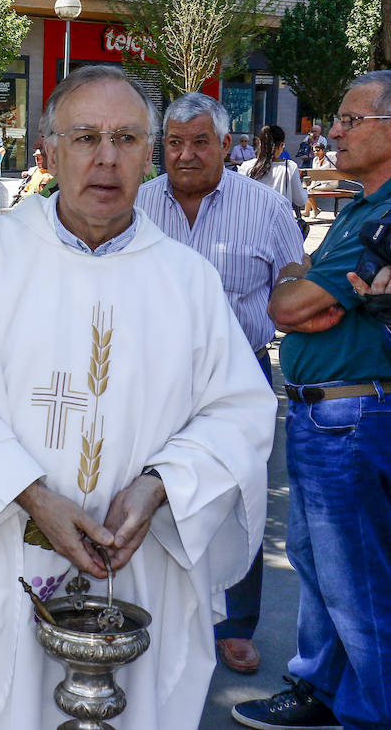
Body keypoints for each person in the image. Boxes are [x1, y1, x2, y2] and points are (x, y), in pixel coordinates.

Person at [0, 65, 274, 729]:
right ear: (46, 152)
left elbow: (238, 413)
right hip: (0, 553)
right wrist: (32, 494)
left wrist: (161, 484)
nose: (106, 158)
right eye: (85, 137)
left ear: (149, 153)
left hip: (131, 567)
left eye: (127, 138)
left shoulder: (187, 281)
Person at [234, 70, 391, 730]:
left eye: (352, 120)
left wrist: (303, 293)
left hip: (347, 415)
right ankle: (320, 689)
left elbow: (286, 301)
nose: (333, 132)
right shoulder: (362, 205)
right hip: (325, 411)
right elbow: (290, 298)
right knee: (323, 565)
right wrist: (308, 291)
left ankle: (372, 713)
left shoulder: (383, 213)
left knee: (354, 579)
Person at [135, 92, 305, 677]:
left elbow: (293, 276)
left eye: (200, 141)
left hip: (239, 377)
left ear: (226, 146)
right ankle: (151, 610)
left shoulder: (266, 207)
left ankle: (235, 625)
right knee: (146, 492)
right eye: (174, 142)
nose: (185, 154)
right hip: (147, 378)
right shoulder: (135, 204)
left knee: (237, 499)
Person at [242, 124, 307, 213]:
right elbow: (300, 200)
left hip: (253, 221)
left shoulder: (247, 166)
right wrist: (305, 188)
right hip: (280, 222)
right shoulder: (289, 167)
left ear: (260, 143)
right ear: (281, 145)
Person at [303, 142, 338, 218]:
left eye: (318, 150)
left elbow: (320, 170)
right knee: (306, 189)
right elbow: (315, 174)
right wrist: (311, 186)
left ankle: (315, 210)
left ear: (323, 150)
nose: (316, 152)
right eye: (314, 151)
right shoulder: (315, 160)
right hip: (320, 184)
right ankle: (307, 211)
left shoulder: (329, 158)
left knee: (308, 190)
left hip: (330, 184)